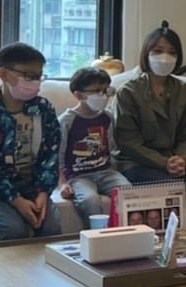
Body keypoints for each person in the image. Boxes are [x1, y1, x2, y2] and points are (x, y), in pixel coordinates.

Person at [114, 21, 186, 227]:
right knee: (168, 185)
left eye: (172, 52)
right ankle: (157, 242)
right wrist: (163, 163)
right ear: (146, 53)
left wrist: (181, 159)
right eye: (158, 51)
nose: (165, 57)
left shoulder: (185, 92)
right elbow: (128, 142)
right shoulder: (128, 93)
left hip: (178, 161)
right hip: (137, 163)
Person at [0, 43, 63, 240]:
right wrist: (16, 201)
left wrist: (43, 193)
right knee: (14, 230)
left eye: (38, 76)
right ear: (3, 73)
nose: (35, 82)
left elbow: (50, 155)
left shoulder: (44, 109)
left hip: (31, 183)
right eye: (28, 76)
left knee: (51, 228)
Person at [56, 66, 131, 220]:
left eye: (105, 91)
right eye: (96, 91)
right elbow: (58, 156)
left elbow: (111, 147)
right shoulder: (66, 121)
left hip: (106, 172)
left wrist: (115, 168)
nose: (102, 96)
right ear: (79, 95)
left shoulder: (107, 117)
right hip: (78, 176)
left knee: (127, 191)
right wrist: (63, 183)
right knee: (89, 200)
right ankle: (97, 231)